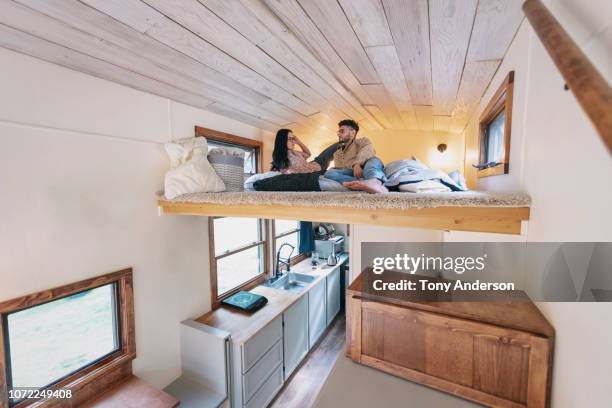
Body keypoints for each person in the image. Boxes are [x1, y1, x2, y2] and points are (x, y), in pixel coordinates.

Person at [324, 119, 388, 194]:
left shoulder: (363, 141)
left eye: (342, 131)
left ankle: (374, 181)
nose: (338, 134)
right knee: (329, 173)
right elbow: (340, 170)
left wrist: (357, 164)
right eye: (338, 132)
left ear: (352, 133)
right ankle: (364, 183)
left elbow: (368, 151)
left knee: (374, 159)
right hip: (351, 173)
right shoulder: (337, 153)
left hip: (365, 168)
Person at [271, 129, 338, 174]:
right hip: (317, 171)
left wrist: (299, 142)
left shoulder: (295, 152)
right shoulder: (281, 158)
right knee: (337, 172)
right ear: (282, 140)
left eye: (293, 139)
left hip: (318, 162)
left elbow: (308, 154)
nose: (293, 142)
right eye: (289, 139)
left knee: (338, 145)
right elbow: (281, 171)